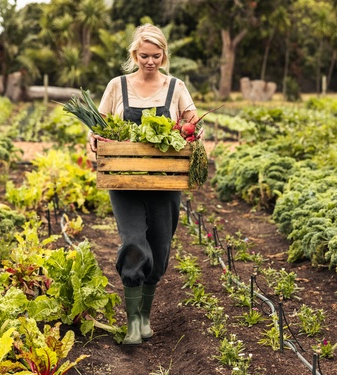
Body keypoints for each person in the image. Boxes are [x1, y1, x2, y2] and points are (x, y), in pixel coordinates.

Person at [89, 24, 199, 345]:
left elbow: (191, 120)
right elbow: (96, 129)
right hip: (124, 180)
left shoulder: (176, 87)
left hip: (165, 181)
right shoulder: (117, 86)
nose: (150, 61)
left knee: (161, 248)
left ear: (164, 55)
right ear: (134, 55)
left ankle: (146, 315)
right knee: (134, 242)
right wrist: (95, 140)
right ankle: (133, 322)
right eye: (143, 55)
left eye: (156, 55)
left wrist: (194, 131)